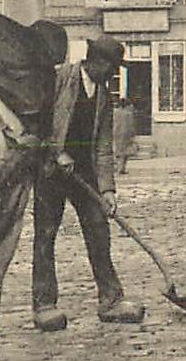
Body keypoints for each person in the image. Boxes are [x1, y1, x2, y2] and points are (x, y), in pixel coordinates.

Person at [32, 32, 145, 330]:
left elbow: (104, 146)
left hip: (85, 175)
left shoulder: (104, 97)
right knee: (45, 236)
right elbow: (36, 123)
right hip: (50, 173)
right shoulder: (59, 79)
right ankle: (44, 304)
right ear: (96, 61)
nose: (113, 74)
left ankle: (110, 300)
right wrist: (57, 153)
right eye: (111, 67)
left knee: (99, 232)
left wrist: (107, 189)